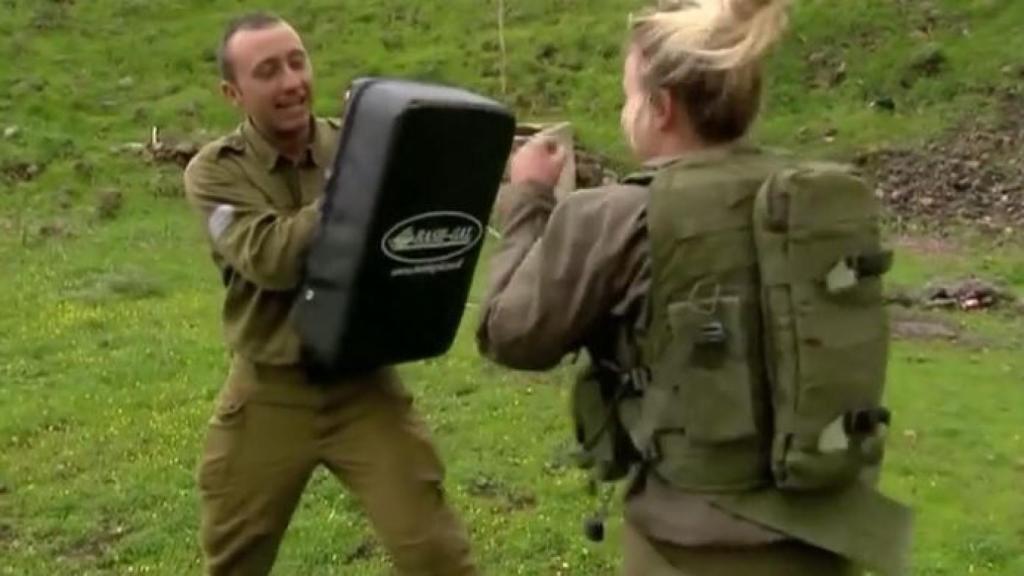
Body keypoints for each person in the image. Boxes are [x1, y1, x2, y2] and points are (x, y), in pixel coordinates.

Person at [477, 0, 910, 574]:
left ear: (660, 109)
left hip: (690, 545)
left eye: (629, 96)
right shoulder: (806, 196)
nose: (624, 110)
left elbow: (508, 334)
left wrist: (529, 197)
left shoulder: (616, 217)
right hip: (823, 530)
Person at [182, 12, 477, 576]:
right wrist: (363, 180)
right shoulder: (215, 174)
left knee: (436, 555)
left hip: (364, 385)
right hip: (270, 389)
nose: (292, 81)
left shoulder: (358, 144)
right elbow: (270, 258)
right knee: (235, 559)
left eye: (297, 61)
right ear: (233, 91)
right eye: (268, 71)